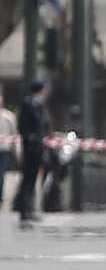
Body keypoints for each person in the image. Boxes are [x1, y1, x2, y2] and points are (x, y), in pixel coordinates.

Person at [12, 77, 48, 228]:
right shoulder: (32, 103)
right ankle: (24, 210)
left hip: (34, 145)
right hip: (32, 146)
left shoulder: (35, 104)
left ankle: (28, 209)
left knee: (32, 179)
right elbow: (28, 125)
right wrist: (31, 139)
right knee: (28, 178)